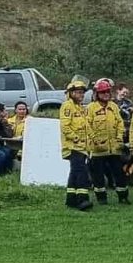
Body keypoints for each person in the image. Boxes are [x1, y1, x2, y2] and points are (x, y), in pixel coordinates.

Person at [86, 78, 130, 205]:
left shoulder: (114, 107)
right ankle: (101, 198)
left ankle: (123, 196)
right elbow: (87, 126)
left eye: (107, 92)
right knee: (98, 175)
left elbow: (120, 123)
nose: (105, 94)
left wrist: (119, 138)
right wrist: (95, 140)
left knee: (119, 173)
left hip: (114, 148)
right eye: (103, 92)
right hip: (98, 149)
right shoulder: (91, 108)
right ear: (97, 94)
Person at [60, 76, 93, 210]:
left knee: (74, 172)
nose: (82, 95)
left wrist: (92, 138)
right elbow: (65, 126)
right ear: (71, 93)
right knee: (81, 173)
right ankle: (82, 200)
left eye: (82, 92)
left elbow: (86, 126)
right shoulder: (67, 106)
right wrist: (76, 138)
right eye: (79, 92)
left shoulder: (80, 108)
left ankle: (71, 199)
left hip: (81, 147)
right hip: (73, 146)